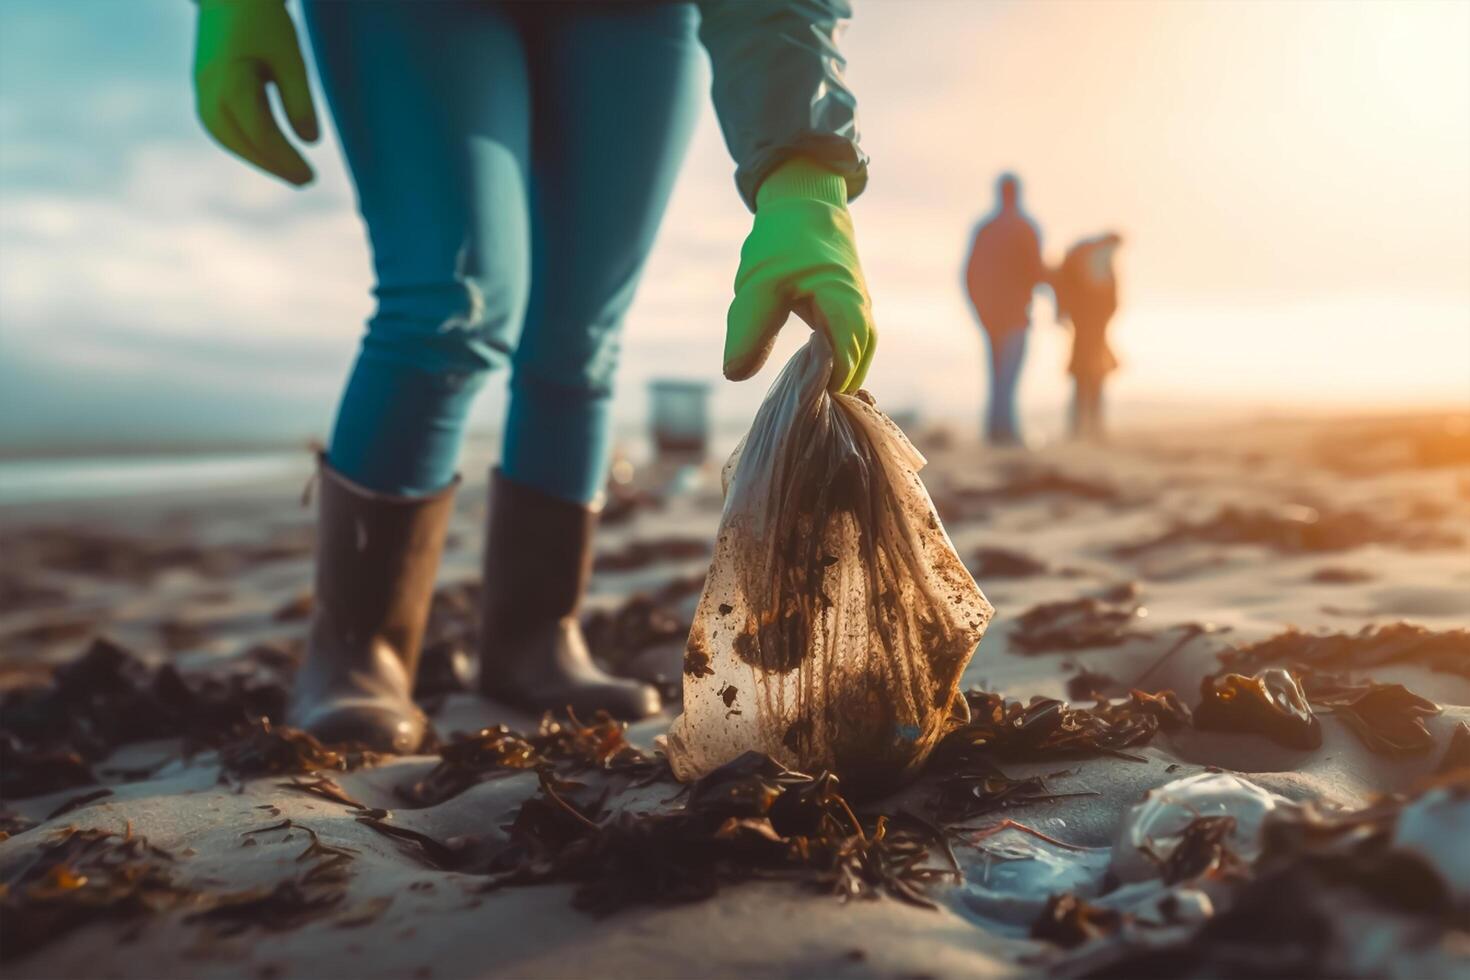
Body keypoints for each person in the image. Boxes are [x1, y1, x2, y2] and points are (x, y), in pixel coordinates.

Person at [192, 0, 877, 752]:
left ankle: (535, 637)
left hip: (631, 18)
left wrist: (805, 179)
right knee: (450, 300)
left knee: (580, 336)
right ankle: (357, 651)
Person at [964, 173, 1043, 446]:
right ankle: (1006, 434)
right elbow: (1035, 270)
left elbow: (969, 274)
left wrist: (979, 310)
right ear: (1017, 193)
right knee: (1008, 374)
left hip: (989, 315)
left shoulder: (985, 229)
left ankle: (995, 432)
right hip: (1015, 314)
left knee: (997, 373)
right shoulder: (1025, 228)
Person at [1051, 233, 1123, 440]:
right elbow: (1111, 300)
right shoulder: (1097, 262)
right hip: (1092, 331)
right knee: (1090, 377)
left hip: (1088, 330)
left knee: (1086, 377)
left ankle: (1083, 427)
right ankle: (1088, 427)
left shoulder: (1085, 260)